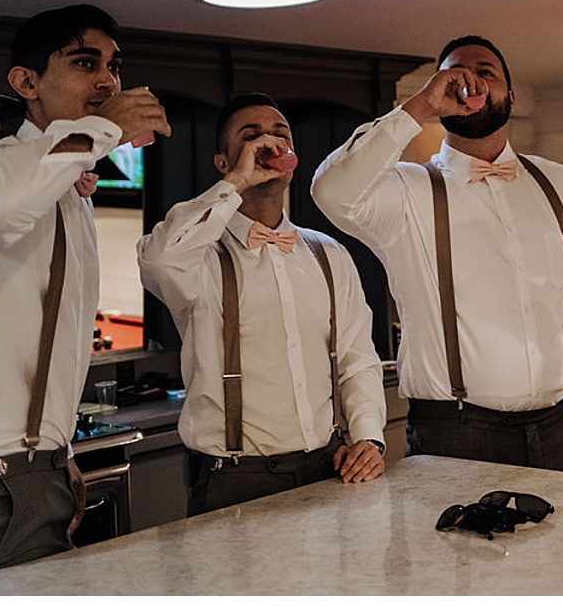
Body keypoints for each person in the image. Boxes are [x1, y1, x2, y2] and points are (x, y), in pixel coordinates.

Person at [0, 4, 170, 589]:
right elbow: (4, 209)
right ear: (25, 82)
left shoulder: (70, 191)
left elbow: (54, 335)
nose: (107, 80)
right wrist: (104, 130)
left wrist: (56, 452)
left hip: (38, 480)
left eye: (114, 67)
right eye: (85, 63)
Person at [310, 34, 563, 473]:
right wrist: (420, 106)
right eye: (454, 75)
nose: (469, 82)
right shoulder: (404, 191)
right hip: (455, 434)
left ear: (511, 96)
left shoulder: (562, 185)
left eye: (485, 72)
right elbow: (330, 190)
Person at [137, 89, 386, 512]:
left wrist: (368, 437)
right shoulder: (199, 257)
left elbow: (356, 358)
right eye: (251, 136)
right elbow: (158, 258)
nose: (269, 143)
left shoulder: (328, 254)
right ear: (222, 162)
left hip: (328, 467)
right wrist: (237, 182)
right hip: (235, 479)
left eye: (279, 134)